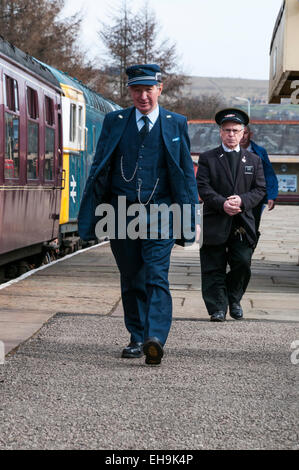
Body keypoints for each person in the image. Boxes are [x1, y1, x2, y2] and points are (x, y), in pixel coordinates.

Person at [78, 64, 200, 365]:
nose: (143, 96)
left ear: (160, 88)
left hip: (162, 212)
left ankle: (154, 337)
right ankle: (136, 336)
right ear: (129, 91)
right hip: (120, 212)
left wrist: (189, 221)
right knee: (132, 277)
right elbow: (100, 167)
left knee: (157, 276)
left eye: (148, 89)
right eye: (136, 90)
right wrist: (92, 216)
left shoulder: (176, 123)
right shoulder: (114, 121)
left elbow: (184, 173)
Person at [196, 108, 266, 322]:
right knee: (213, 266)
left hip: (242, 223)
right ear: (220, 132)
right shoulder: (208, 158)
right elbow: (203, 187)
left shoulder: (254, 160)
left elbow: (260, 189)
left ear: (243, 132)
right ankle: (217, 307)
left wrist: (243, 201)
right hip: (214, 220)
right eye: (227, 130)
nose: (231, 134)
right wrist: (222, 203)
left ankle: (233, 299)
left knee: (242, 263)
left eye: (235, 130)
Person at [240, 125, 278, 242]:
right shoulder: (227, 151)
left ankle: (249, 250)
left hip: (255, 197)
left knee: (252, 228)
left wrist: (272, 195)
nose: (242, 136)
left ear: (250, 134)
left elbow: (269, 174)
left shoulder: (260, 152)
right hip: (234, 196)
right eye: (239, 132)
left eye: (245, 133)